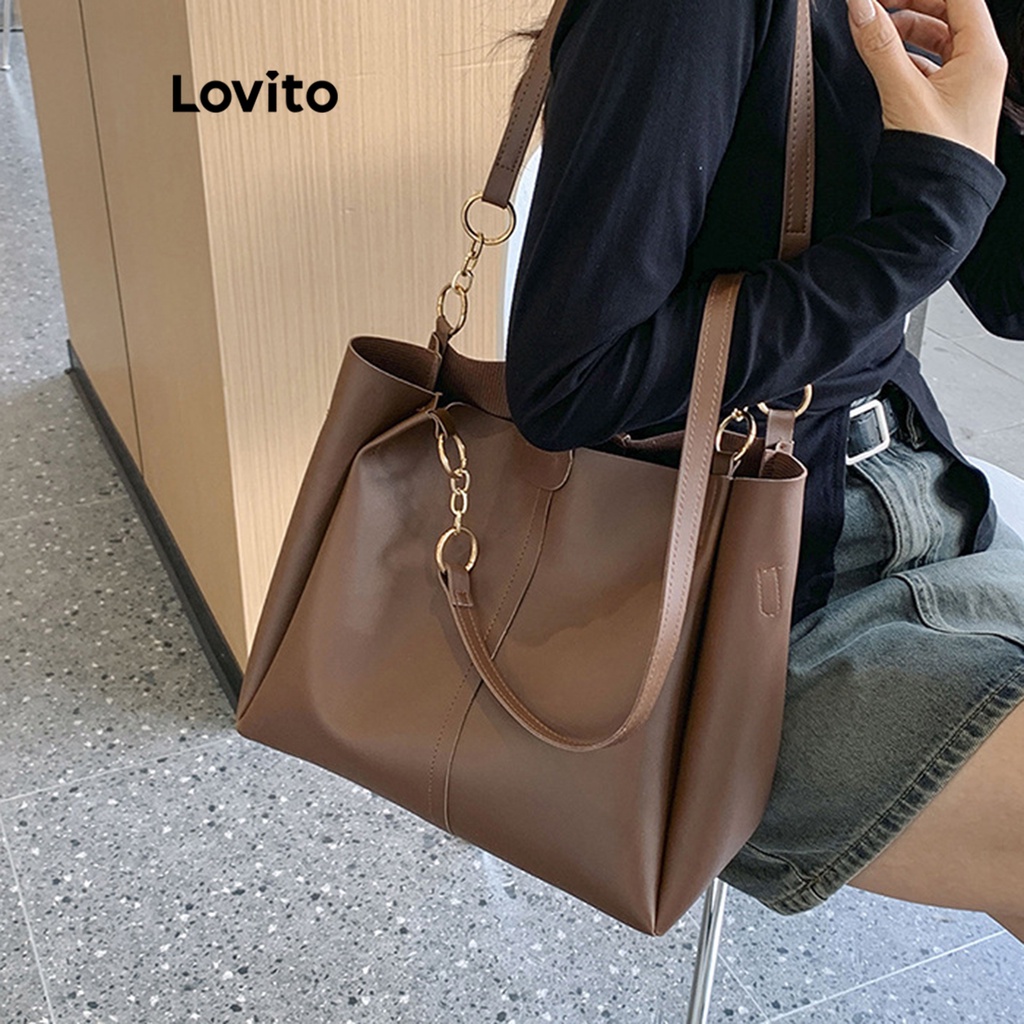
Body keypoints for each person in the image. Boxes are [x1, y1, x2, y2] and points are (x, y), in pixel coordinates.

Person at [502, 0, 1024, 940]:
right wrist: (921, 229)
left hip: (928, 494)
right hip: (741, 600)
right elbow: (571, 384)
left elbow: (1010, 290)